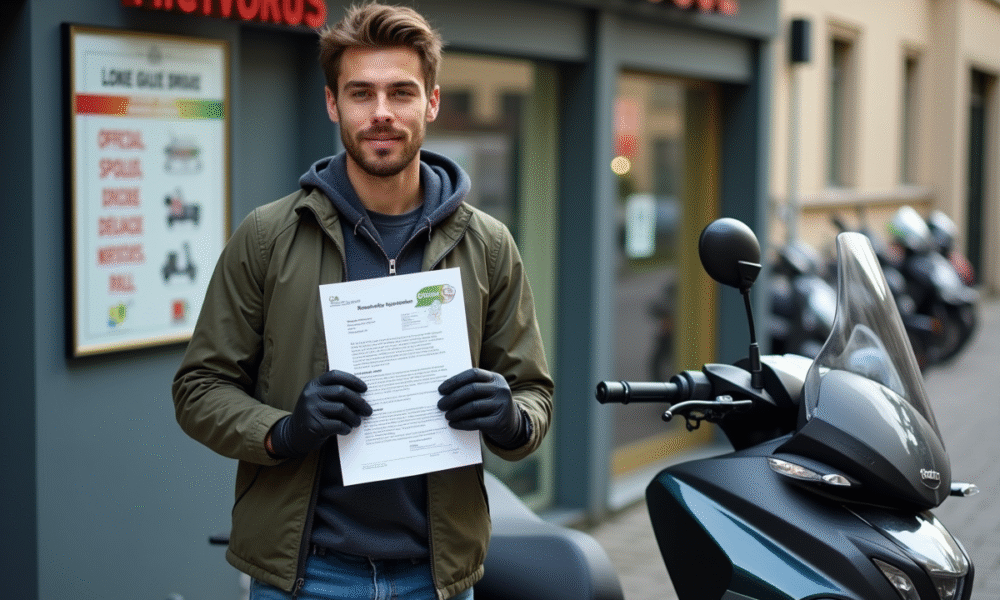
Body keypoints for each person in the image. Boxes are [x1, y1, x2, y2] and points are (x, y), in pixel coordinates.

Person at [171, 3, 553, 599]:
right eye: (360, 93)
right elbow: (199, 390)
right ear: (332, 104)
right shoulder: (269, 236)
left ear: (430, 102)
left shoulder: (488, 244)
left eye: (401, 92)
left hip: (437, 577)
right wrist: (284, 431)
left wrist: (508, 417)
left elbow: (534, 394)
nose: (381, 114)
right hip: (304, 576)